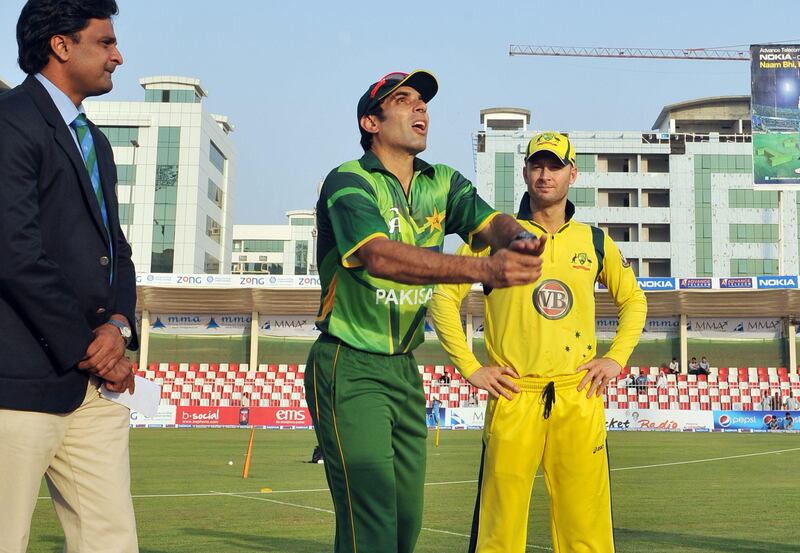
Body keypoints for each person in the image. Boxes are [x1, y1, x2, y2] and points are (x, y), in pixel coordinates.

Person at [304, 69, 546, 553]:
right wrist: (483, 272)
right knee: (369, 522)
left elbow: (488, 220)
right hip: (349, 362)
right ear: (371, 122)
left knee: (406, 523)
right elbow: (380, 256)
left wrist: (516, 237)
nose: (421, 109)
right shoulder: (348, 181)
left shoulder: (441, 182)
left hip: (403, 369)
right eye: (404, 100)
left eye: (424, 101)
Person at [430, 132, 647, 552]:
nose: (544, 174)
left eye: (555, 166)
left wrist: (616, 358)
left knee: (586, 526)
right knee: (501, 526)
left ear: (573, 174)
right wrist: (471, 367)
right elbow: (442, 297)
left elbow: (634, 300)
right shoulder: (493, 234)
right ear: (526, 172)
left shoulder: (594, 241)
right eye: (536, 165)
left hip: (577, 392)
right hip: (516, 394)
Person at [0, 2, 139, 552]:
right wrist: (90, 343)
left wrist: (119, 327)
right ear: (61, 46)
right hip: (17, 381)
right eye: (104, 42)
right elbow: (14, 253)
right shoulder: (10, 121)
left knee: (111, 540)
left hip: (92, 388)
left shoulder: (94, 140)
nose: (117, 55)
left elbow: (116, 253)